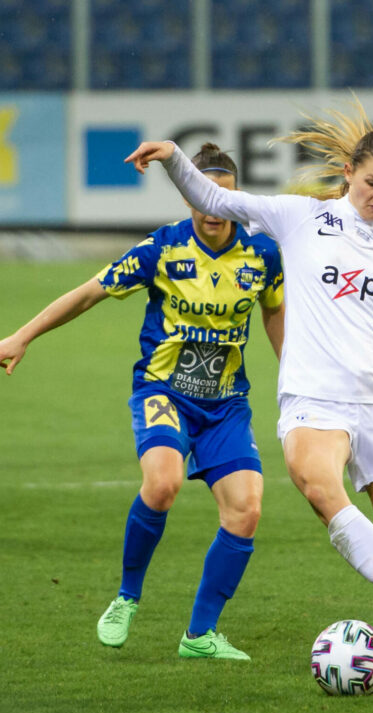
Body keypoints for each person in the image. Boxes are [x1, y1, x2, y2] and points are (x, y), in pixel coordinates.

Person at [124, 102, 373, 668]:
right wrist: (173, 158)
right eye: (372, 182)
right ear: (349, 172)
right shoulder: (301, 217)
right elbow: (217, 199)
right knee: (324, 490)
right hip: (313, 403)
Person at [0, 143, 285, 661]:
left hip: (226, 405)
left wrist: (294, 374)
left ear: (237, 198)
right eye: (202, 196)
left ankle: (200, 635)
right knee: (163, 482)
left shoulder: (263, 255)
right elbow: (88, 293)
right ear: (188, 196)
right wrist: (22, 336)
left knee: (246, 510)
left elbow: (274, 310)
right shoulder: (161, 249)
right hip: (163, 391)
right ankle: (126, 597)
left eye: (223, 196)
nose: (212, 207)